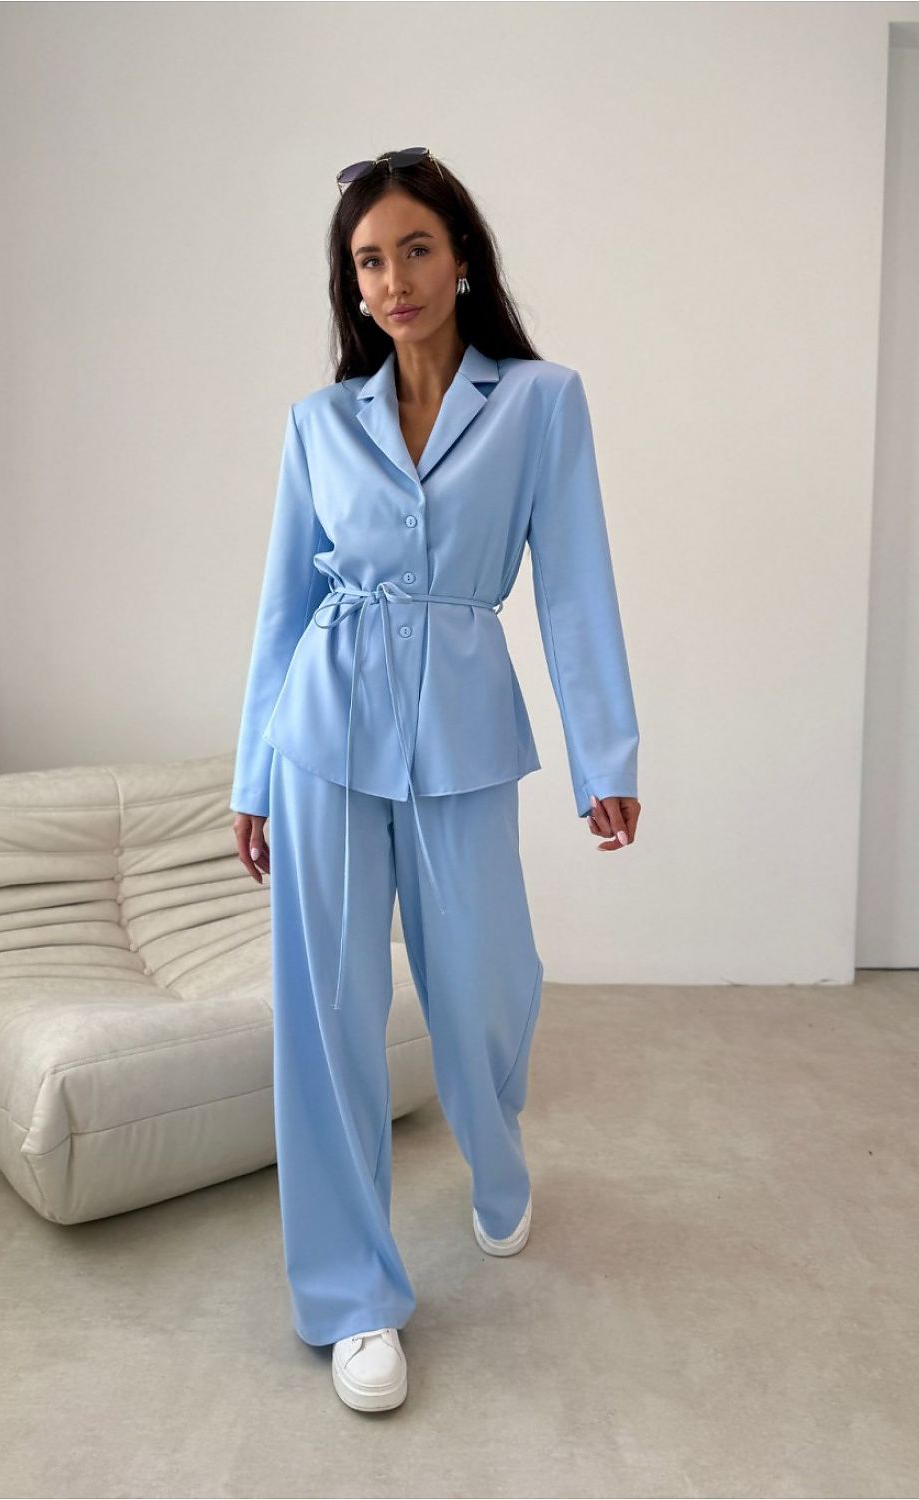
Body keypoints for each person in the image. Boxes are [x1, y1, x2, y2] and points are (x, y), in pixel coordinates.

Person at [230, 146, 641, 1412]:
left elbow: (573, 586)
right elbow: (282, 606)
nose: (393, 278)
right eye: (368, 260)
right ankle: (353, 1297)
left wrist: (603, 756)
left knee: (481, 984)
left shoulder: (539, 402)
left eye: (414, 248)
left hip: (462, 732)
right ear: (350, 287)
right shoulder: (318, 424)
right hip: (325, 738)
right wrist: (253, 772)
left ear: (460, 256)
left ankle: (495, 1150)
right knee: (330, 1020)